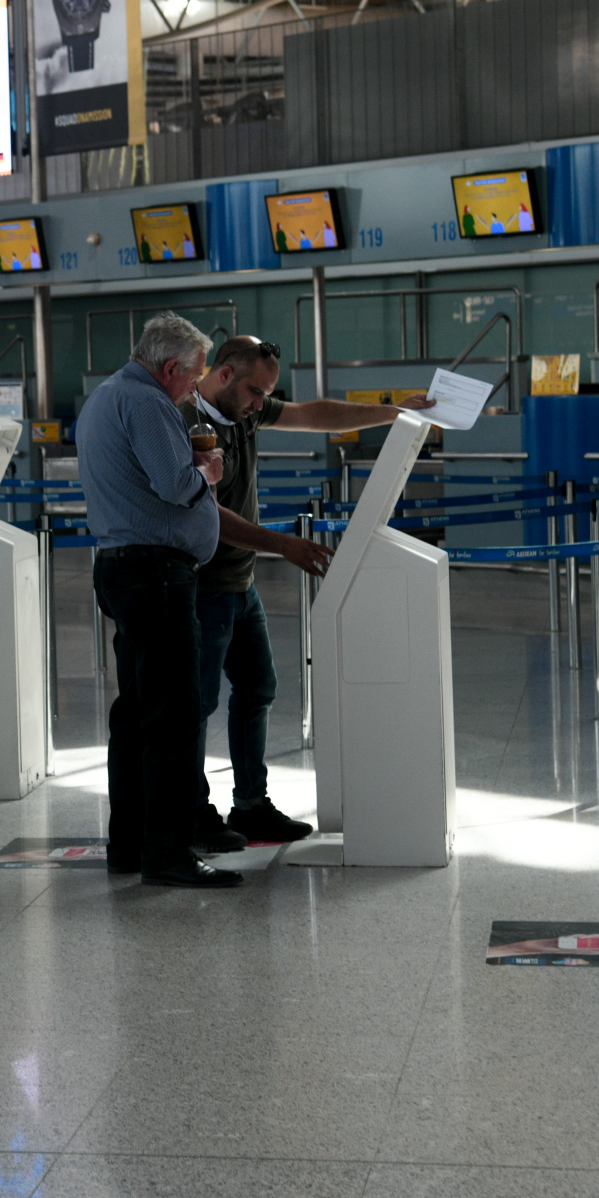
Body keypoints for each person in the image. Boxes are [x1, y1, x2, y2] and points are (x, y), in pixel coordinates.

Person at [181, 337, 433, 848]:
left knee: (257, 689)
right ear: (224, 375)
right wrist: (282, 545)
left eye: (267, 394)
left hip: (241, 583)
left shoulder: (245, 411)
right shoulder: (186, 422)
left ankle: (251, 805)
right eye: (256, 392)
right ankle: (191, 812)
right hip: (205, 585)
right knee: (196, 703)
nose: (262, 404)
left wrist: (392, 413)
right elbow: (205, 512)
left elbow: (314, 414)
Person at [78, 313, 235, 889]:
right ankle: (167, 853)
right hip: (155, 575)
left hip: (125, 570)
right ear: (170, 368)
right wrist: (207, 472)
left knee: (138, 714)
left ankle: (130, 844)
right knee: (172, 716)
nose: (195, 389)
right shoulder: (147, 403)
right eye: (193, 377)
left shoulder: (105, 396)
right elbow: (175, 485)